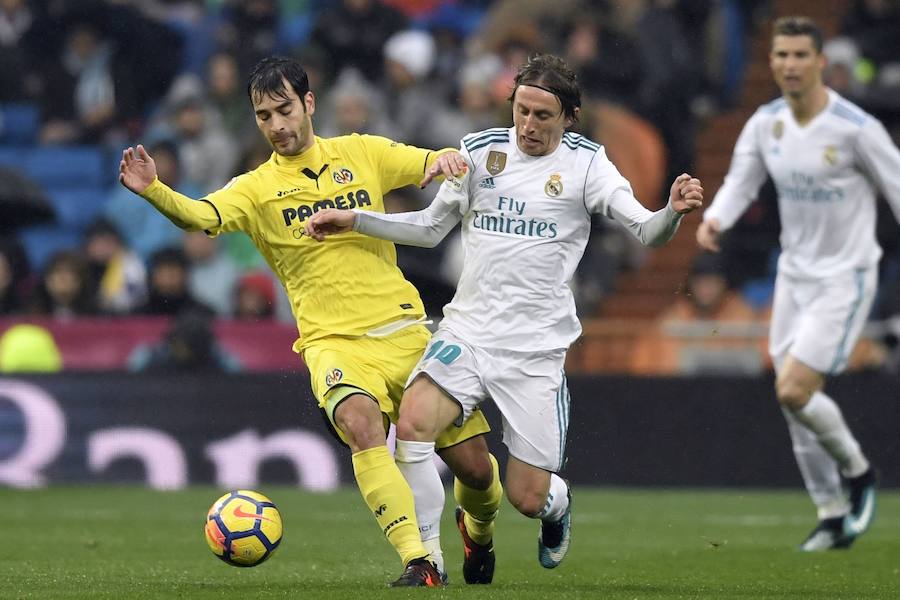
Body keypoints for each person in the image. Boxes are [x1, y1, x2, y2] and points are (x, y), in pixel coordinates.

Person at [306, 53, 703, 577]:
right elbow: (428, 229)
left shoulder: (588, 165)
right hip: (468, 331)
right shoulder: (479, 151)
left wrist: (671, 211)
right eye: (521, 111)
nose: (528, 126)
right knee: (413, 424)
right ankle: (428, 563)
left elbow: (647, 232)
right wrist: (357, 219)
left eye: (543, 116)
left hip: (534, 350)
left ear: (569, 118)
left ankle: (556, 505)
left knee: (525, 497)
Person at [117, 56, 500, 587]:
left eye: (284, 110)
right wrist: (157, 190)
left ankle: (478, 529)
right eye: (263, 116)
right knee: (362, 426)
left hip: (406, 331)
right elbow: (202, 216)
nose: (276, 126)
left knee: (476, 471)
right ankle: (420, 561)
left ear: (308, 104)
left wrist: (448, 161)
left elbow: (428, 161)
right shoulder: (254, 189)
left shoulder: (361, 152)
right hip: (332, 342)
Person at [696, 16, 895, 551]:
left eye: (800, 55)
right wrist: (716, 218)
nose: (789, 64)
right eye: (780, 55)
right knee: (792, 400)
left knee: (793, 388)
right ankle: (831, 513)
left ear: (821, 61)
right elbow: (741, 180)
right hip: (795, 276)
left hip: (845, 277)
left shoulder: (856, 129)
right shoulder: (766, 124)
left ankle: (858, 475)